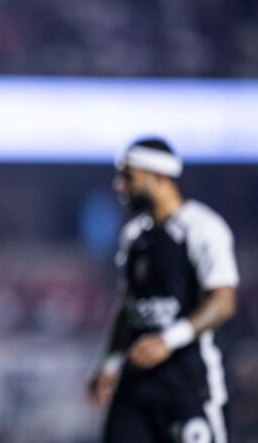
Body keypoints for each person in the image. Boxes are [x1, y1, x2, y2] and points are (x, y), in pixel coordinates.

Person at [89, 138, 239, 443]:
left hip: (188, 385)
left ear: (159, 177)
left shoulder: (201, 227)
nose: (120, 185)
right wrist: (110, 363)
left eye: (128, 176)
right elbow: (128, 307)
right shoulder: (133, 236)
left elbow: (223, 300)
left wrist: (169, 340)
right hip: (135, 389)